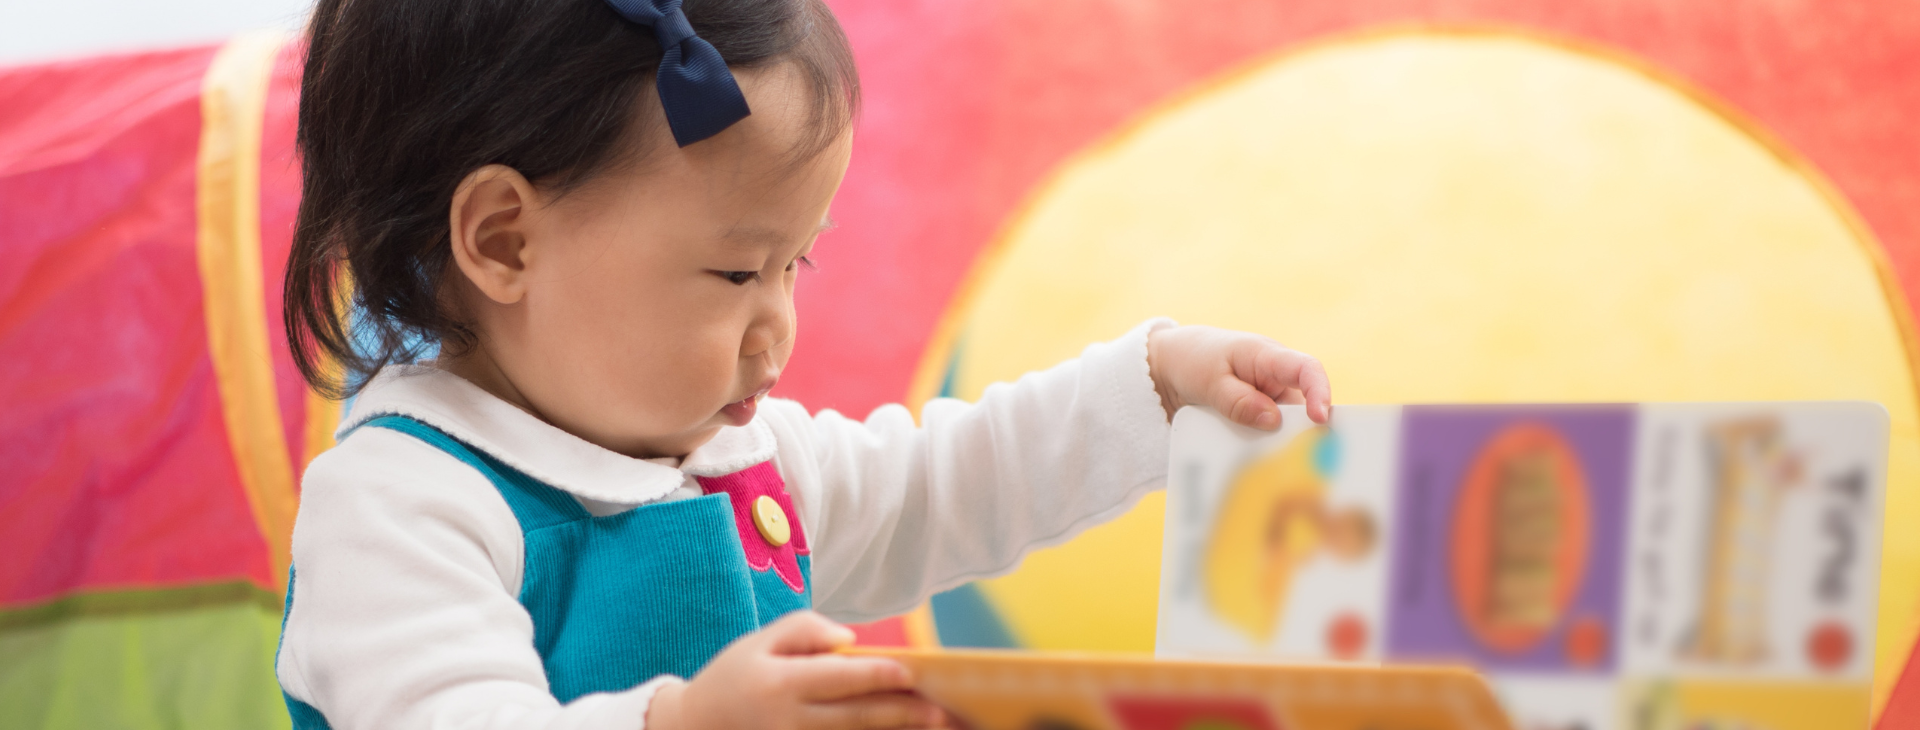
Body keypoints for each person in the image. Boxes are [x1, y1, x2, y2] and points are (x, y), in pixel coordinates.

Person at [276, 0, 1333, 728]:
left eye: (800, 261)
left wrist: (1155, 390)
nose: (777, 325)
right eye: (738, 273)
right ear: (506, 240)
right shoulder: (400, 503)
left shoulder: (738, 454)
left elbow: (941, 485)